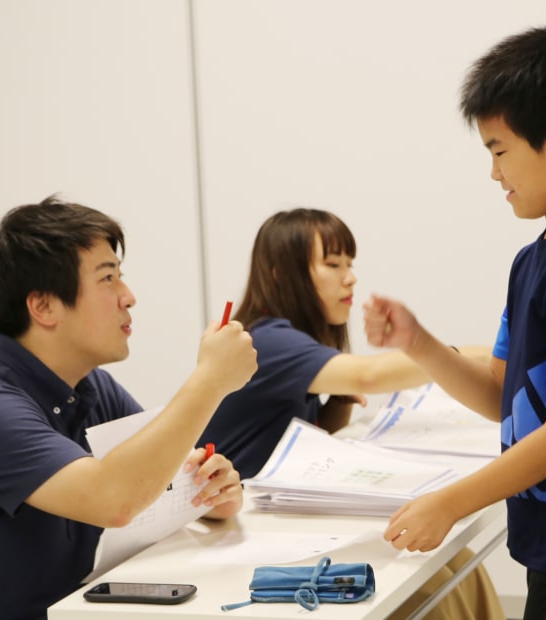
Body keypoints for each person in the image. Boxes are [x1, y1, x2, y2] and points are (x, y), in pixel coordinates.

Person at [364, 27, 546, 620]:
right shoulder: (536, 259)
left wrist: (448, 503)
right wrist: (419, 343)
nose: (495, 175)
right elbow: (505, 396)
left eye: (500, 151)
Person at [0, 196, 257, 620]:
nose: (128, 297)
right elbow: (114, 499)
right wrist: (209, 382)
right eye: (107, 279)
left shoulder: (89, 387)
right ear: (43, 307)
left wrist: (206, 492)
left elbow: (151, 480)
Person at [199, 207, 505, 620]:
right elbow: (368, 375)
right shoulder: (266, 339)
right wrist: (469, 355)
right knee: (427, 582)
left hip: (270, 522)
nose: (350, 277)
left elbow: (300, 438)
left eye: (350, 263)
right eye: (332, 264)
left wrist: (338, 402)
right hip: (240, 535)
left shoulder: (292, 339)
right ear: (278, 273)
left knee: (456, 563)